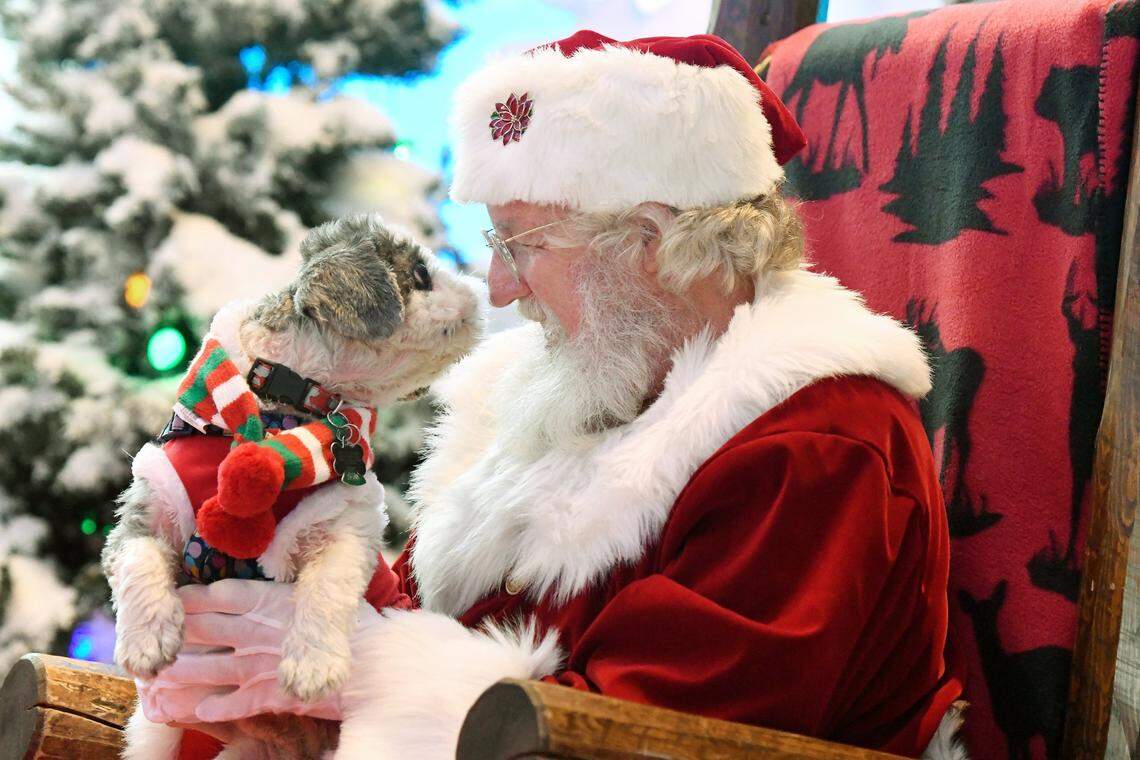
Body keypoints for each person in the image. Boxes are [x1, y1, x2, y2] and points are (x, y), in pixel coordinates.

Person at [136, 30, 966, 759]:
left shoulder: (818, 443)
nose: (498, 289)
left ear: (652, 241)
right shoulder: (567, 393)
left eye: (519, 243)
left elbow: (651, 739)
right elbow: (409, 611)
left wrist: (362, 670)